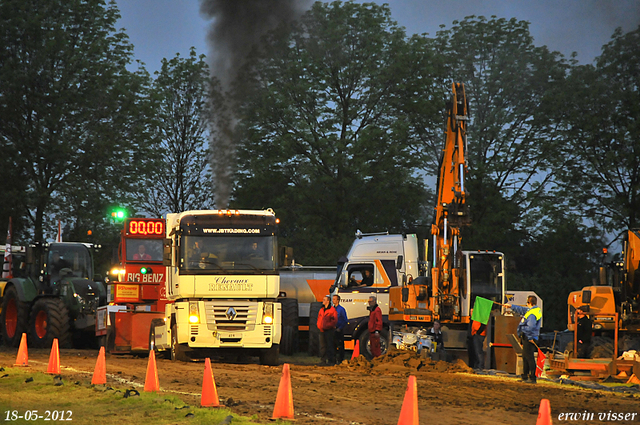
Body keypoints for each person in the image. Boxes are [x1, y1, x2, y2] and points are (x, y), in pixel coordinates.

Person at [506, 296, 542, 384]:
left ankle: (532, 377)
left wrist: (526, 334)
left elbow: (531, 327)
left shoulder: (532, 314)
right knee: (525, 356)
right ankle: (525, 376)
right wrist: (511, 306)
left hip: (529, 337)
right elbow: (522, 310)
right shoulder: (534, 310)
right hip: (529, 336)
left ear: (528, 303)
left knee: (529, 357)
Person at [317, 295, 338, 365]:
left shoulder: (332, 310)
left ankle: (331, 360)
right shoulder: (321, 310)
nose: (322, 301)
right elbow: (319, 319)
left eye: (324, 300)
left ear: (328, 301)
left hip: (329, 330)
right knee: (322, 346)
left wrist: (328, 326)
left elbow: (334, 320)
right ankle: (323, 360)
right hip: (322, 330)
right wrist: (319, 326)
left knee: (329, 345)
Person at [333, 294, 348, 363]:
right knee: (333, 345)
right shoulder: (332, 309)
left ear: (338, 300)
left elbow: (345, 320)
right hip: (333, 329)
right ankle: (334, 358)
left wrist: (340, 328)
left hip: (339, 329)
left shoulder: (341, 309)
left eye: (334, 299)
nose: (333, 300)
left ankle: (340, 359)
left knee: (340, 344)